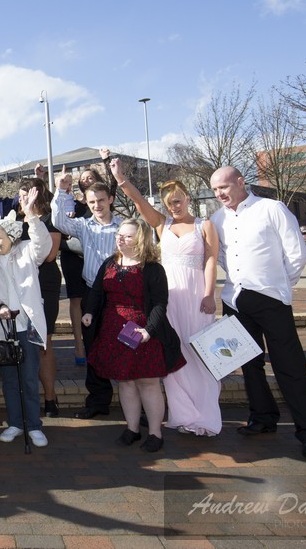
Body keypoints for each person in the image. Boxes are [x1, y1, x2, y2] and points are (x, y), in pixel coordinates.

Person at [209, 166, 306, 459]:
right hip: (235, 300)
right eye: (214, 190)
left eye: (223, 187)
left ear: (240, 182)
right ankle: (262, 418)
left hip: (271, 300)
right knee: (249, 365)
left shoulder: (272, 209)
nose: (220, 194)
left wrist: (279, 286)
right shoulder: (217, 219)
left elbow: (296, 253)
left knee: (290, 367)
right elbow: (221, 255)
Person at [110, 158, 221, 436]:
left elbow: (211, 260)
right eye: (170, 202)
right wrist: (120, 178)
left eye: (179, 200)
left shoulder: (204, 225)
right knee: (173, 353)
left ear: (188, 197)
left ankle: (206, 416)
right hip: (167, 297)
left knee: (199, 353)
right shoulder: (161, 224)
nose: (175, 205)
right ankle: (182, 415)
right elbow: (138, 203)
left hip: (196, 296)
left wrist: (209, 294)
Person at [82, 219, 184, 453]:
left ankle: (156, 434)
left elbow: (160, 303)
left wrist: (149, 330)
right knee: (125, 381)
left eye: (127, 236)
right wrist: (89, 311)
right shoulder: (110, 263)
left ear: (141, 239)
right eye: (120, 234)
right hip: (113, 330)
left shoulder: (152, 268)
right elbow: (97, 291)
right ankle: (132, 429)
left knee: (148, 382)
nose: (120, 238)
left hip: (141, 331)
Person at [0, 187, 53, 448]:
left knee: (29, 378)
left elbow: (44, 245)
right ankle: (16, 424)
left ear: (10, 236)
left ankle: (34, 425)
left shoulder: (27, 251)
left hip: (27, 326)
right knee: (9, 379)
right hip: (2, 328)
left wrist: (31, 216)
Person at [51, 173, 122, 420]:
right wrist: (61, 190)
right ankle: (99, 400)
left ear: (110, 199)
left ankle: (135, 402)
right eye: (92, 202)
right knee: (94, 348)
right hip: (93, 293)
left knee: (125, 346)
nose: (97, 206)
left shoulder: (124, 227)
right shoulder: (84, 225)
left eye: (101, 200)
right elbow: (59, 220)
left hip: (120, 295)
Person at [13, 178, 63, 417]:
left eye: (28, 194)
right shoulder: (13, 220)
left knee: (44, 341)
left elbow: (49, 255)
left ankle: (50, 397)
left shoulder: (49, 219)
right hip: (19, 285)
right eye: (21, 194)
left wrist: (32, 215)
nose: (24, 198)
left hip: (44, 283)